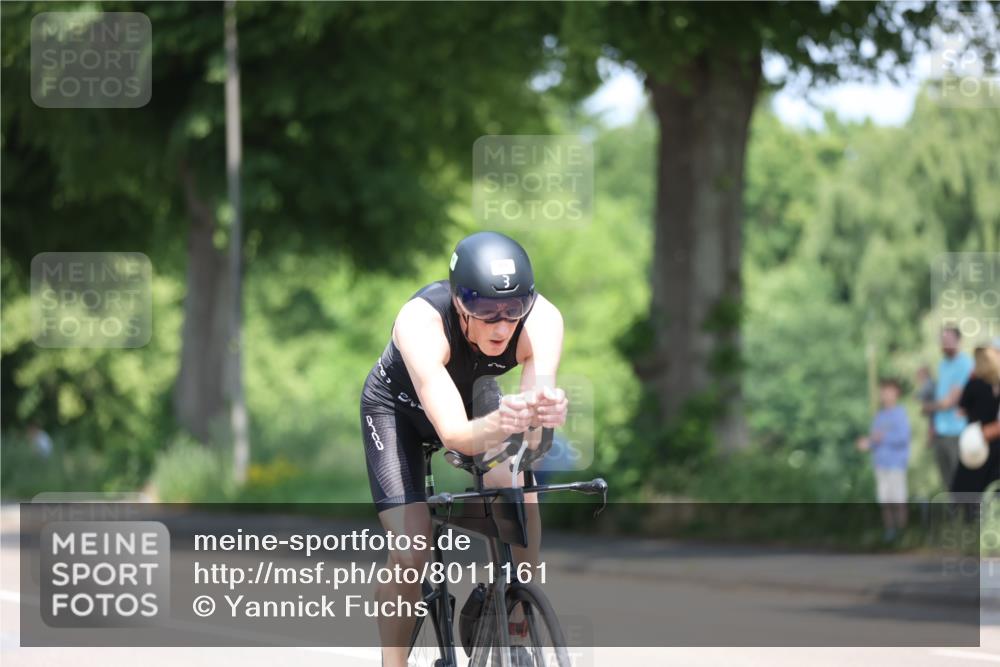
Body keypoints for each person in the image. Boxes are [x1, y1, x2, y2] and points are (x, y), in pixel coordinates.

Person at [359, 231, 567, 667]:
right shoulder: (421, 323)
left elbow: (532, 443)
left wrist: (541, 417)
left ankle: (513, 610)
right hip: (399, 412)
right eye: (486, 311)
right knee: (411, 549)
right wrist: (506, 422)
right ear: (459, 303)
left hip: (476, 400)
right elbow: (454, 433)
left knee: (518, 489)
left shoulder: (543, 321)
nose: (502, 326)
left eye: (514, 309)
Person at [856, 378, 910, 542]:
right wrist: (867, 443)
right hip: (880, 464)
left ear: (896, 393)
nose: (885, 395)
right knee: (885, 500)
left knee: (898, 500)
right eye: (883, 391)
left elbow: (903, 438)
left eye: (888, 391)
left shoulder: (900, 414)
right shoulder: (879, 416)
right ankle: (890, 532)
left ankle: (903, 533)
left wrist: (882, 438)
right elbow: (875, 439)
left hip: (896, 464)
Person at [952, 346, 1000, 498]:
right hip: (994, 442)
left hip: (976, 439)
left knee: (966, 487)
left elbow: (961, 410)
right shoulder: (995, 385)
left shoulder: (973, 384)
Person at [929, 327, 974, 492]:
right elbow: (941, 397)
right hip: (941, 431)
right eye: (943, 341)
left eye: (949, 340)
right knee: (948, 482)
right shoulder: (942, 365)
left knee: (962, 479)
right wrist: (932, 425)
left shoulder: (966, 364)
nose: (945, 344)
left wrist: (928, 406)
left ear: (958, 341)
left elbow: (950, 401)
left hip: (957, 431)